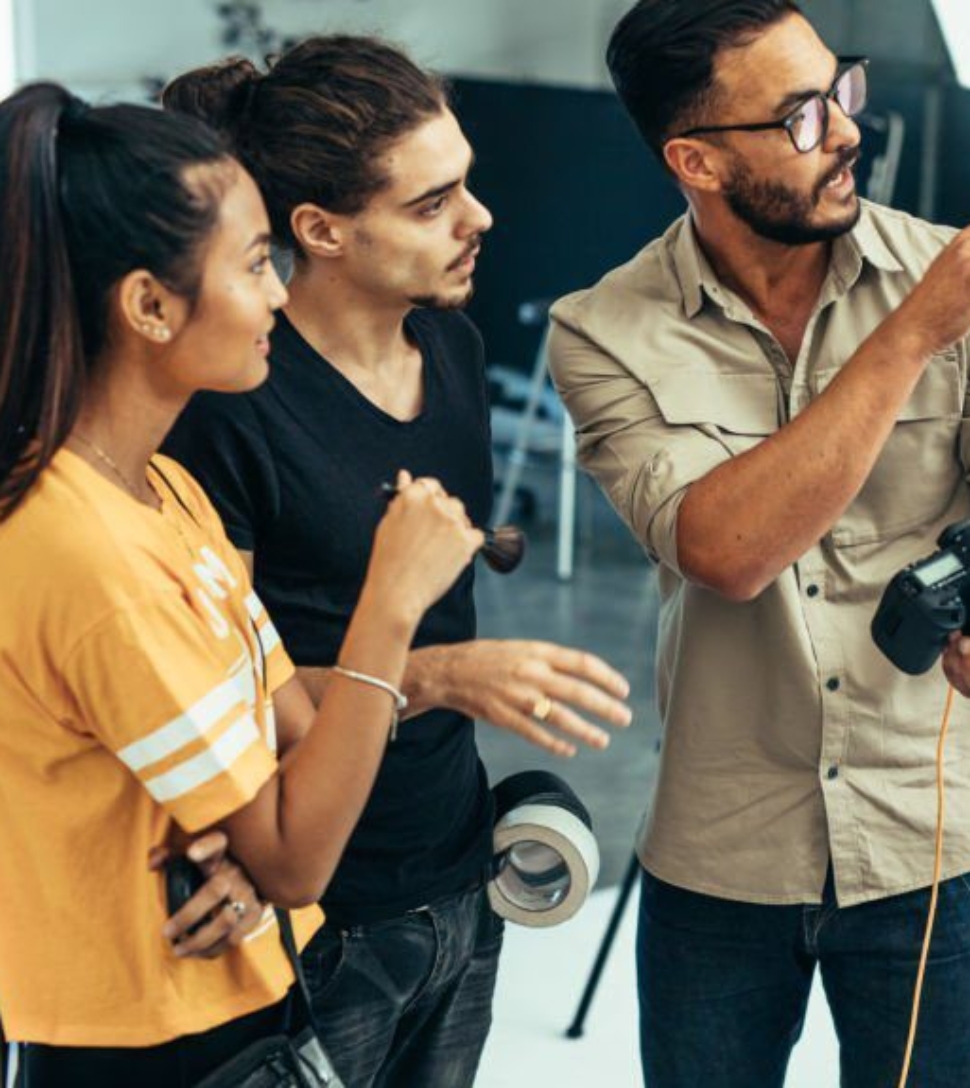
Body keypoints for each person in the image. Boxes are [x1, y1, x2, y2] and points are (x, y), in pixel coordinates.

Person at [161, 35, 632, 1088]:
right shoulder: (231, 410)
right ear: (321, 230)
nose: (481, 219)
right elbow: (211, 691)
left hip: (457, 876)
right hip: (308, 910)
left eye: (466, 183)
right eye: (432, 204)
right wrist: (443, 674)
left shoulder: (452, 350)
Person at [0, 80, 484, 1088]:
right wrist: (390, 603)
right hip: (141, 1047)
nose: (277, 292)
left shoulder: (164, 490)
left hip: (245, 1005)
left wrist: (269, 832)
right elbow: (296, 855)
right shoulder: (84, 554)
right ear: (147, 303)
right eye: (258, 261)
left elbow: (298, 732)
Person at [548, 2, 970, 1086]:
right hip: (721, 850)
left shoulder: (944, 272)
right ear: (692, 157)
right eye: (796, 116)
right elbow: (726, 547)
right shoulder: (601, 328)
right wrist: (911, 334)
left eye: (842, 89)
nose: (842, 131)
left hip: (935, 840)